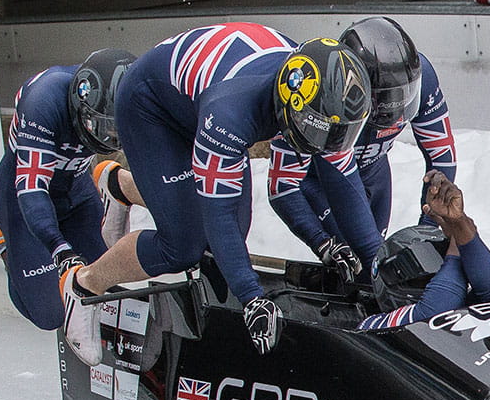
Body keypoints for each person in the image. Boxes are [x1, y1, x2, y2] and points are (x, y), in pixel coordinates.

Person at [61, 23, 372, 365]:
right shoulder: (231, 113)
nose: (327, 148)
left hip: (203, 93)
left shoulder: (322, 108)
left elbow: (288, 191)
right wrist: (252, 297)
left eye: (342, 135)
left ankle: (120, 186)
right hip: (151, 108)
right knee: (183, 245)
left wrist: (341, 251)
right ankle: (84, 285)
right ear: (288, 106)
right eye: (319, 133)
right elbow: (217, 213)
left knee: (233, 237)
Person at [271, 17, 457, 284]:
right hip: (321, 180)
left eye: (402, 95)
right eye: (384, 98)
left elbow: (442, 155)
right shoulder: (329, 88)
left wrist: (428, 228)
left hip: (374, 171)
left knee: (376, 263)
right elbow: (284, 185)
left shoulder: (423, 75)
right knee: (365, 264)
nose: (394, 110)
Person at [0, 48, 135, 331]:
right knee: (52, 316)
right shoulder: (43, 101)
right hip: (25, 198)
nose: (109, 137)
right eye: (103, 126)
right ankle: (5, 243)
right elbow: (32, 188)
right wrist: (59, 249)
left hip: (78, 191)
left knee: (104, 287)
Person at [359, 171, 490, 330]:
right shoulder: (372, 325)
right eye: (428, 276)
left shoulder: (460, 300)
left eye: (441, 262)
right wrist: (457, 240)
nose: (438, 274)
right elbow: (435, 311)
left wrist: (459, 222)